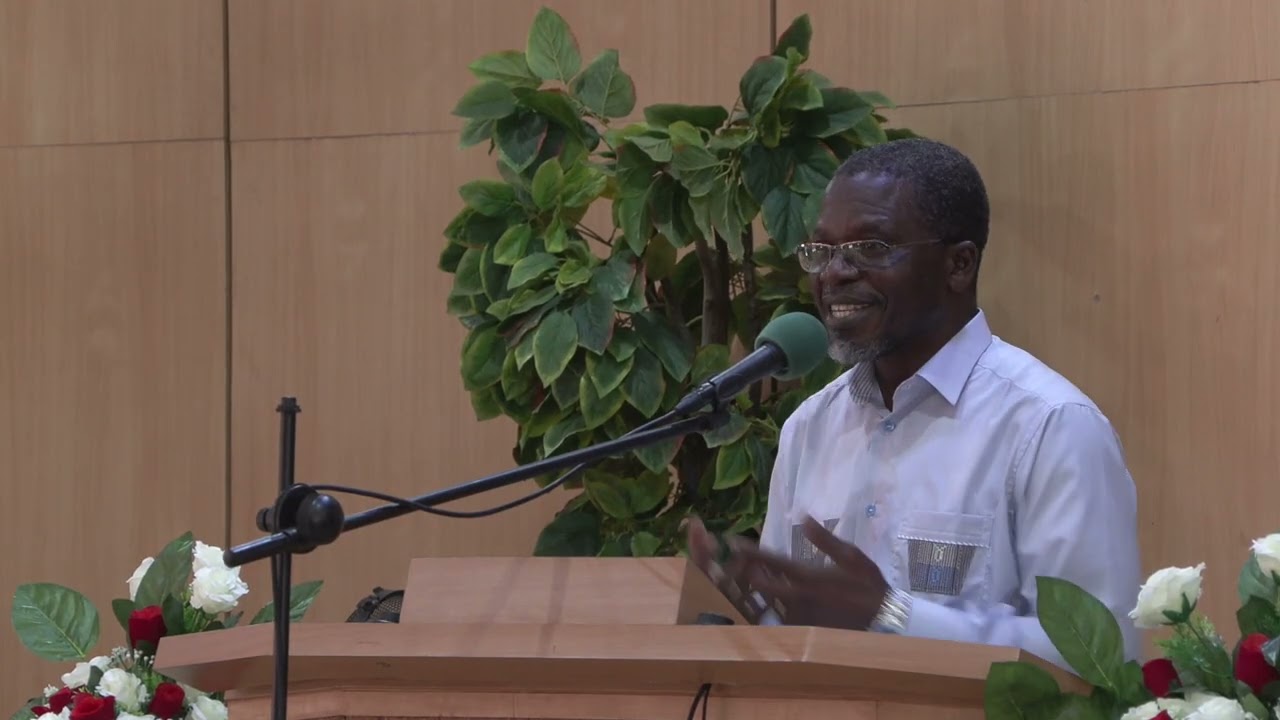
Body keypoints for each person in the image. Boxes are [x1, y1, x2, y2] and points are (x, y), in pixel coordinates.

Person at [686, 137, 1142, 669]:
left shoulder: (1050, 427)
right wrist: (742, 605)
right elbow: (793, 635)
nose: (834, 274)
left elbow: (1103, 657)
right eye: (822, 251)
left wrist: (891, 616)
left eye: (872, 249)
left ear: (959, 265)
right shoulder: (810, 427)